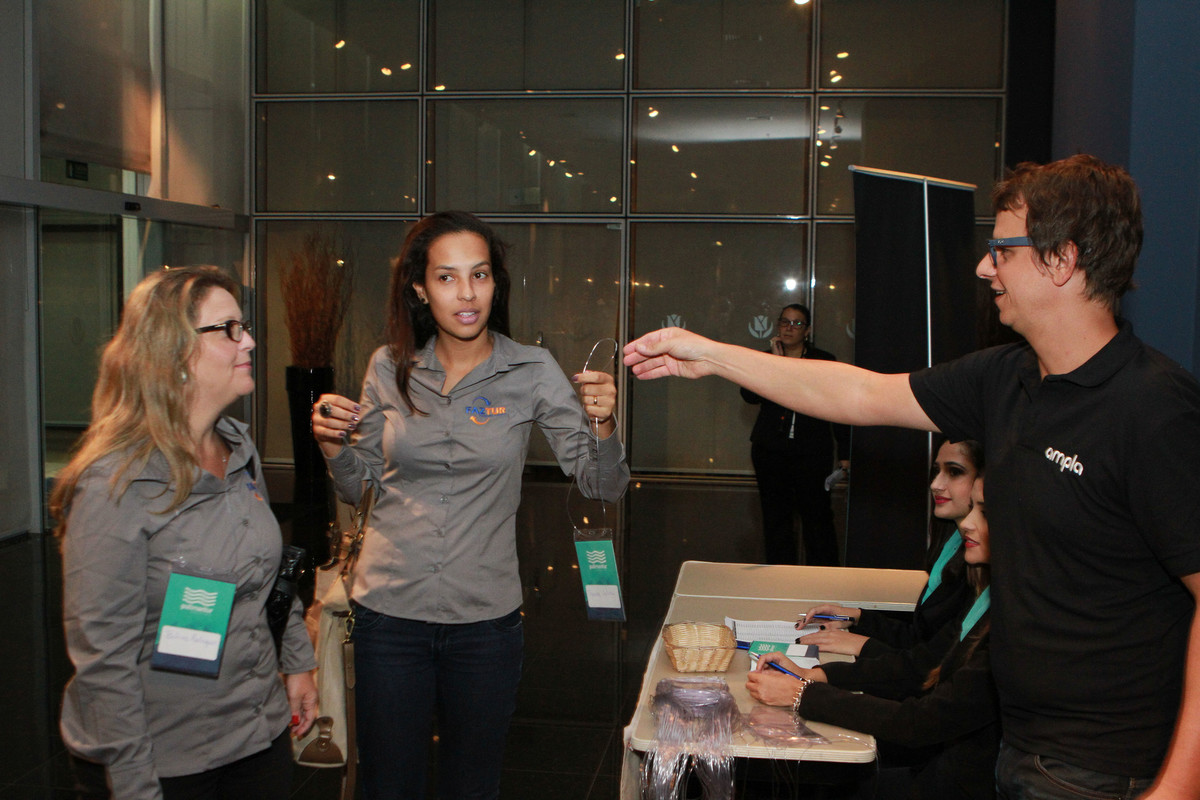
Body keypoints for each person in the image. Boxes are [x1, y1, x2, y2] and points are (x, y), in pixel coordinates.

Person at [624, 154, 1200, 799]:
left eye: (1002, 250)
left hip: (1101, 765)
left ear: (1061, 260)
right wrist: (711, 355)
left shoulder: (1152, 408)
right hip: (1020, 743)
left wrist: (1178, 787)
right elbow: (863, 395)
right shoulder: (1009, 376)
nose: (985, 268)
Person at [311, 210, 630, 800]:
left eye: (479, 276)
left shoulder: (531, 370)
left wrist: (605, 423)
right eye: (447, 277)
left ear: (495, 283)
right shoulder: (388, 368)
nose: (466, 294)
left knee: (473, 784)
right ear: (419, 287)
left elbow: (601, 483)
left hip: (484, 622)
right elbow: (358, 487)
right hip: (389, 615)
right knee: (388, 784)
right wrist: (333, 447)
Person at [51, 266, 318, 800]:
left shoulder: (238, 449)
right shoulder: (114, 484)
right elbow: (103, 660)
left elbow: (268, 573)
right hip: (161, 758)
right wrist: (134, 786)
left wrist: (297, 663)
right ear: (172, 356)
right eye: (229, 329)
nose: (250, 341)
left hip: (257, 732)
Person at [748, 476, 997, 800]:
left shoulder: (1011, 626)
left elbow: (920, 720)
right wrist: (817, 675)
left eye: (986, 512)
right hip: (941, 766)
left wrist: (804, 694)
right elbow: (920, 664)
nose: (968, 522)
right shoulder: (987, 595)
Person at [800, 438, 982, 658]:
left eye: (954, 472)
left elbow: (929, 658)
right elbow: (921, 630)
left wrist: (861, 643)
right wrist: (855, 617)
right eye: (937, 471)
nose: (935, 484)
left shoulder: (980, 562)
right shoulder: (952, 541)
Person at [741, 303, 850, 565]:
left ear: (807, 330)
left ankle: (824, 579)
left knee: (817, 518)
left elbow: (839, 406)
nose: (789, 328)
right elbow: (748, 395)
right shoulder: (766, 359)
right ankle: (780, 576)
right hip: (770, 451)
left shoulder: (824, 361)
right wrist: (775, 365)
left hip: (811, 452)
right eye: (784, 322)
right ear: (777, 326)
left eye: (797, 323)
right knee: (776, 519)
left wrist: (845, 453)